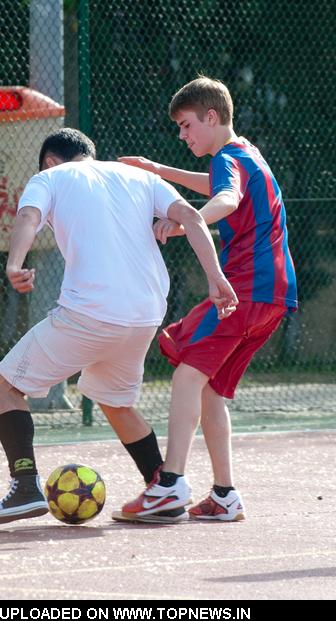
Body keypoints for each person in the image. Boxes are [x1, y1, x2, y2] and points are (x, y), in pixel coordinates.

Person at [0, 127, 238, 525]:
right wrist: (215, 277)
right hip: (146, 313)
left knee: (4, 386)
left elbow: (28, 215)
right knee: (115, 401)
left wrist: (14, 263)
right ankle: (162, 486)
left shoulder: (49, 178)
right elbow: (190, 217)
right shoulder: (140, 177)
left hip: (91, 312)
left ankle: (25, 485)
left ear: (50, 160)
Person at [115, 74, 298, 523]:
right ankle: (224, 495)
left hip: (245, 289)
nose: (182, 134)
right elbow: (221, 186)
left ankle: (170, 483)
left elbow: (227, 198)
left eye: (186, 125)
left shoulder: (227, 160)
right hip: (274, 296)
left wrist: (186, 222)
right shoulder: (247, 153)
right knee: (210, 387)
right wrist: (158, 171)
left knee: (186, 371)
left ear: (211, 117)